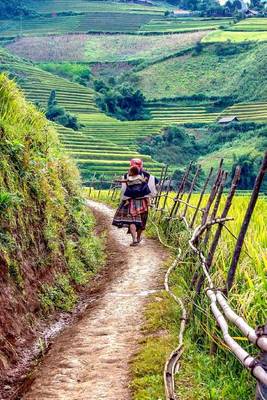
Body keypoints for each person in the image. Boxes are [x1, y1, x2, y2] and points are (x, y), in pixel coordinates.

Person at [112, 159, 158, 246]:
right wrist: (148, 199)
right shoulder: (149, 177)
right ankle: (138, 237)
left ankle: (134, 240)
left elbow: (123, 190)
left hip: (131, 202)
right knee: (142, 221)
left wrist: (125, 200)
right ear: (142, 166)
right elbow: (152, 192)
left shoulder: (126, 176)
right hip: (143, 202)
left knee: (132, 221)